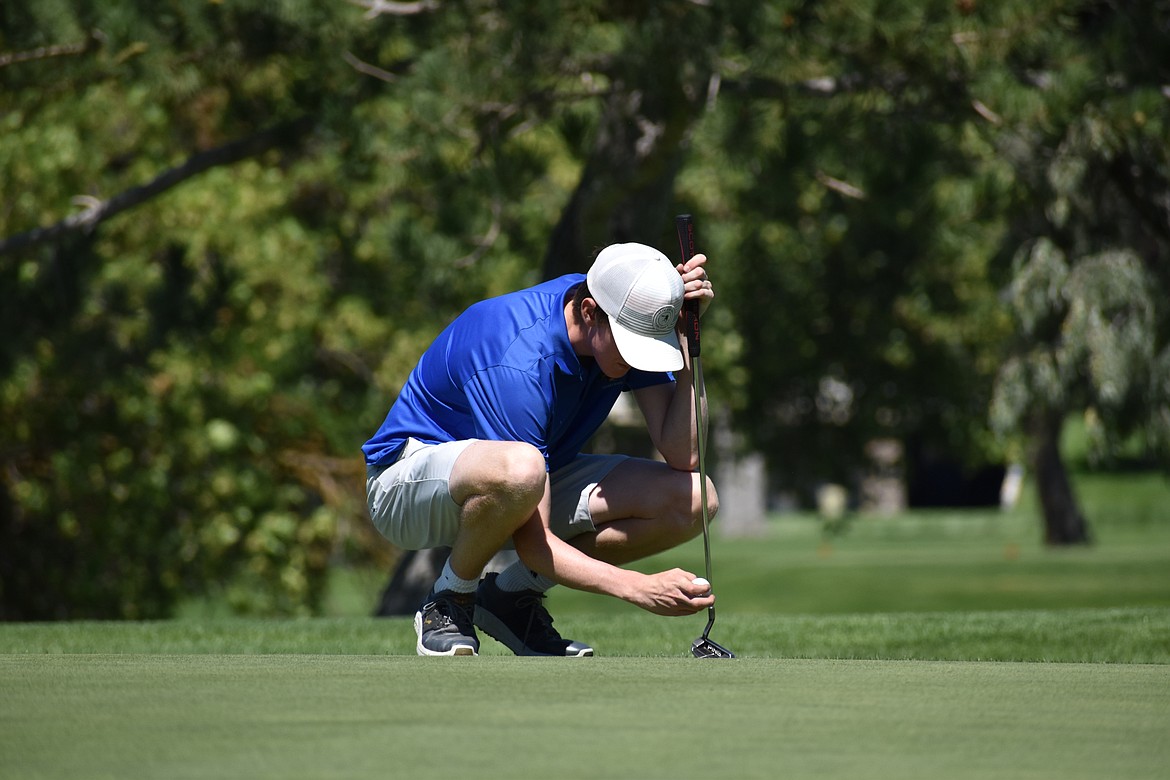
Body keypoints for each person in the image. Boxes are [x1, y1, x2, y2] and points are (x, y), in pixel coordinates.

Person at [362, 241, 718, 656]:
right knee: (522, 469)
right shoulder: (518, 358)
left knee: (695, 498)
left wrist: (688, 342)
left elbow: (684, 454)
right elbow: (535, 540)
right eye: (631, 342)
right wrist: (637, 587)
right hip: (405, 487)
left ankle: (508, 597)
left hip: (519, 480)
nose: (638, 357)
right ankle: (451, 599)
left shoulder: (615, 318)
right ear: (589, 313)